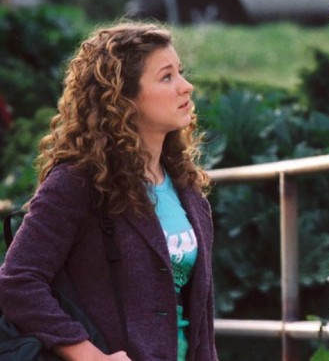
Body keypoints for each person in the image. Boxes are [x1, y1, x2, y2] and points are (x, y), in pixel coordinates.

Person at [0, 22, 218, 361]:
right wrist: (90, 356)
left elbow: (200, 322)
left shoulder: (187, 189)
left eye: (181, 73)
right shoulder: (78, 182)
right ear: (123, 98)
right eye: (166, 77)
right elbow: (18, 281)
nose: (186, 86)